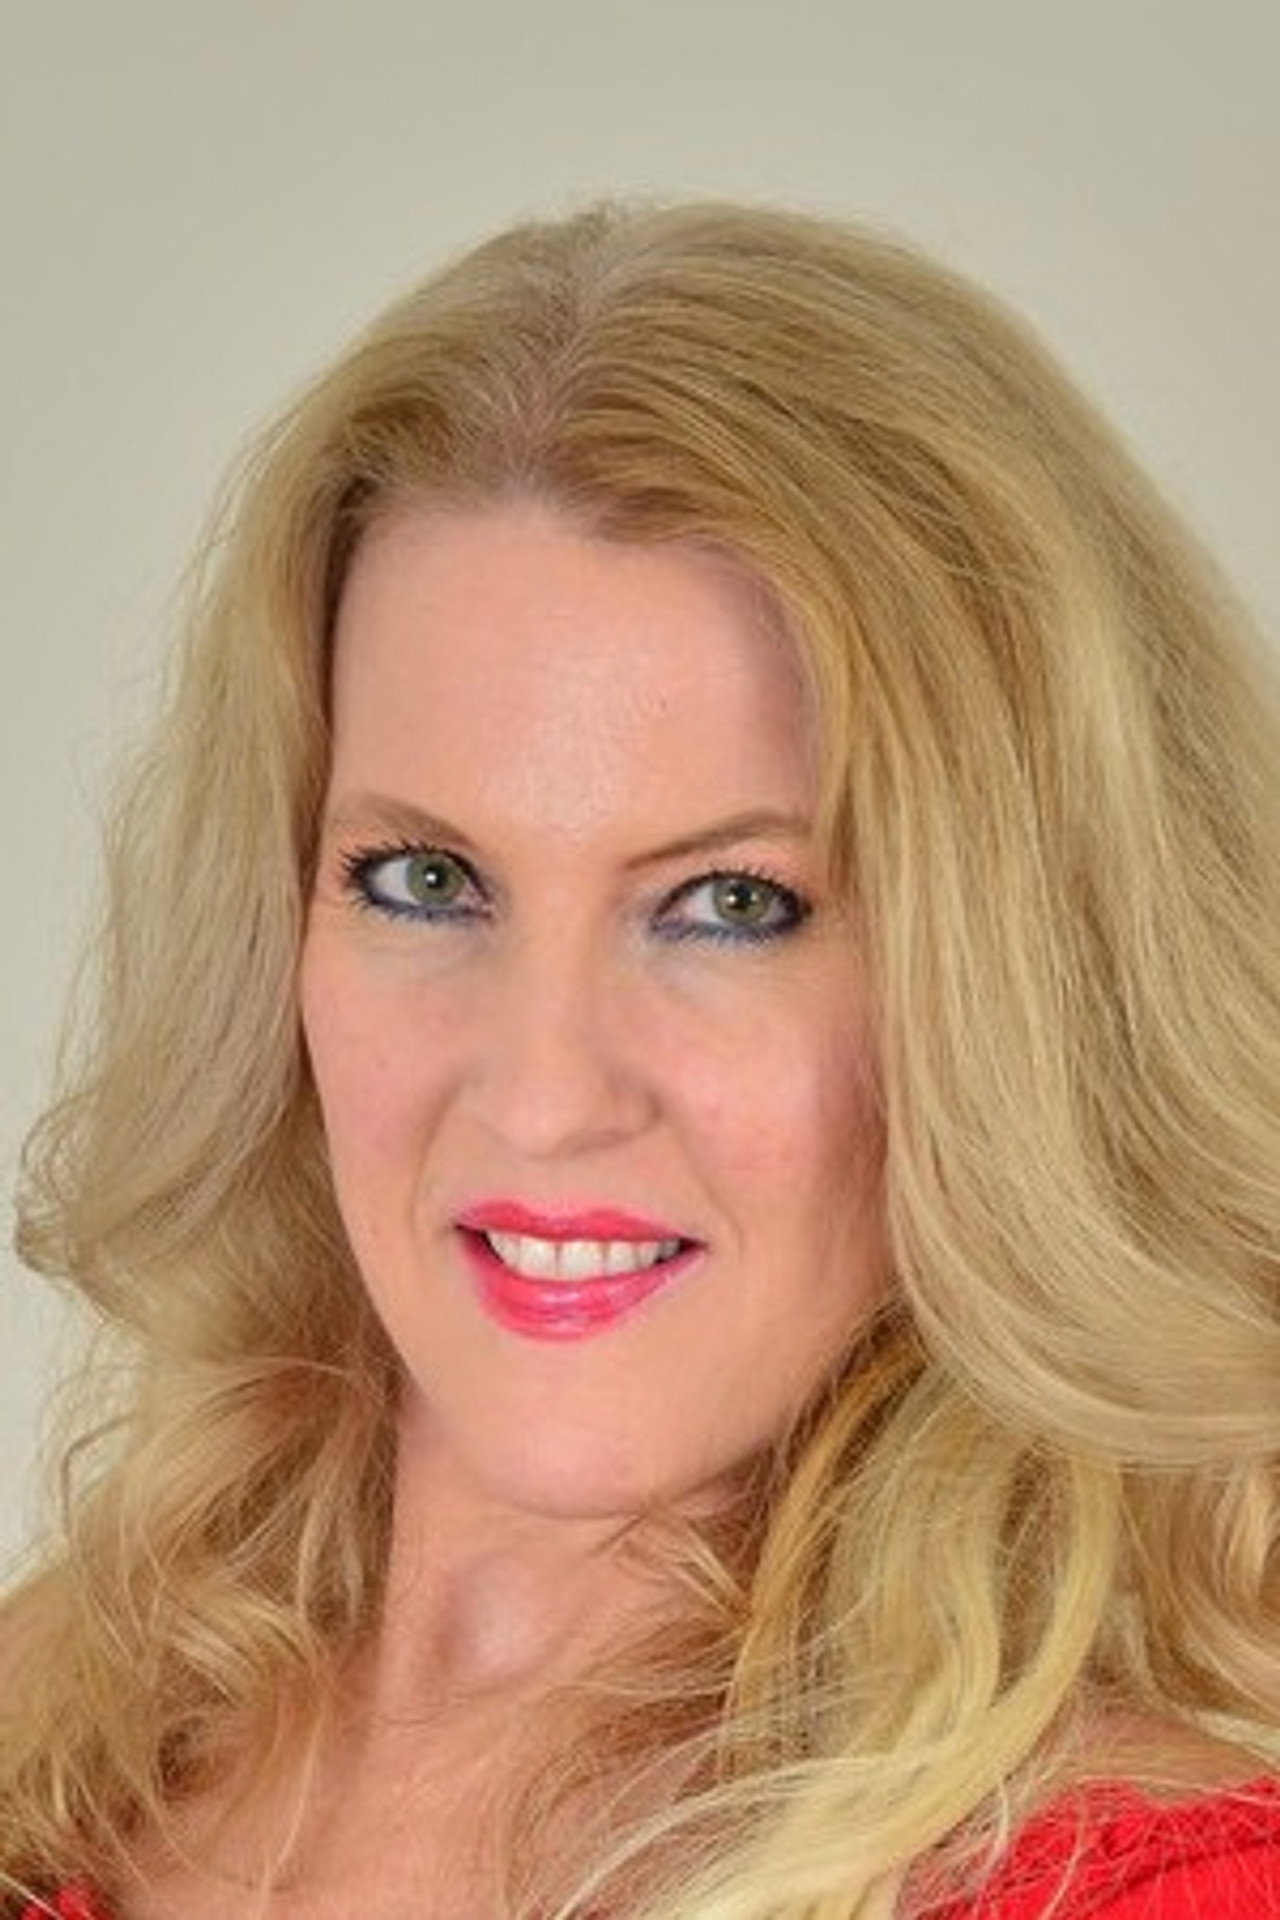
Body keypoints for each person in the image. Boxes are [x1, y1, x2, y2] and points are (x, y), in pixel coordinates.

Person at [1, 200, 1277, 1919]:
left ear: (1015, 995)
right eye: (425, 881)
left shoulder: (1139, 1888)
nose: (541, 1096)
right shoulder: (61, 1740)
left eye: (732, 905)